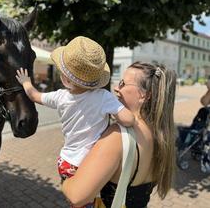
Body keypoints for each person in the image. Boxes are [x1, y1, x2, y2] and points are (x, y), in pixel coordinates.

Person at [16, 36, 135, 207]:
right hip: (90, 163)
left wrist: (26, 82)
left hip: (66, 162)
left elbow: (34, 95)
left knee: (77, 200)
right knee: (89, 199)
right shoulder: (103, 97)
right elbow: (129, 119)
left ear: (65, 79)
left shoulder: (59, 97)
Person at [61, 61, 176, 208]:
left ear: (144, 95)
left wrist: (65, 179)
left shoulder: (118, 135)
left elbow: (77, 197)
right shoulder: (159, 133)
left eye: (122, 83)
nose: (116, 88)